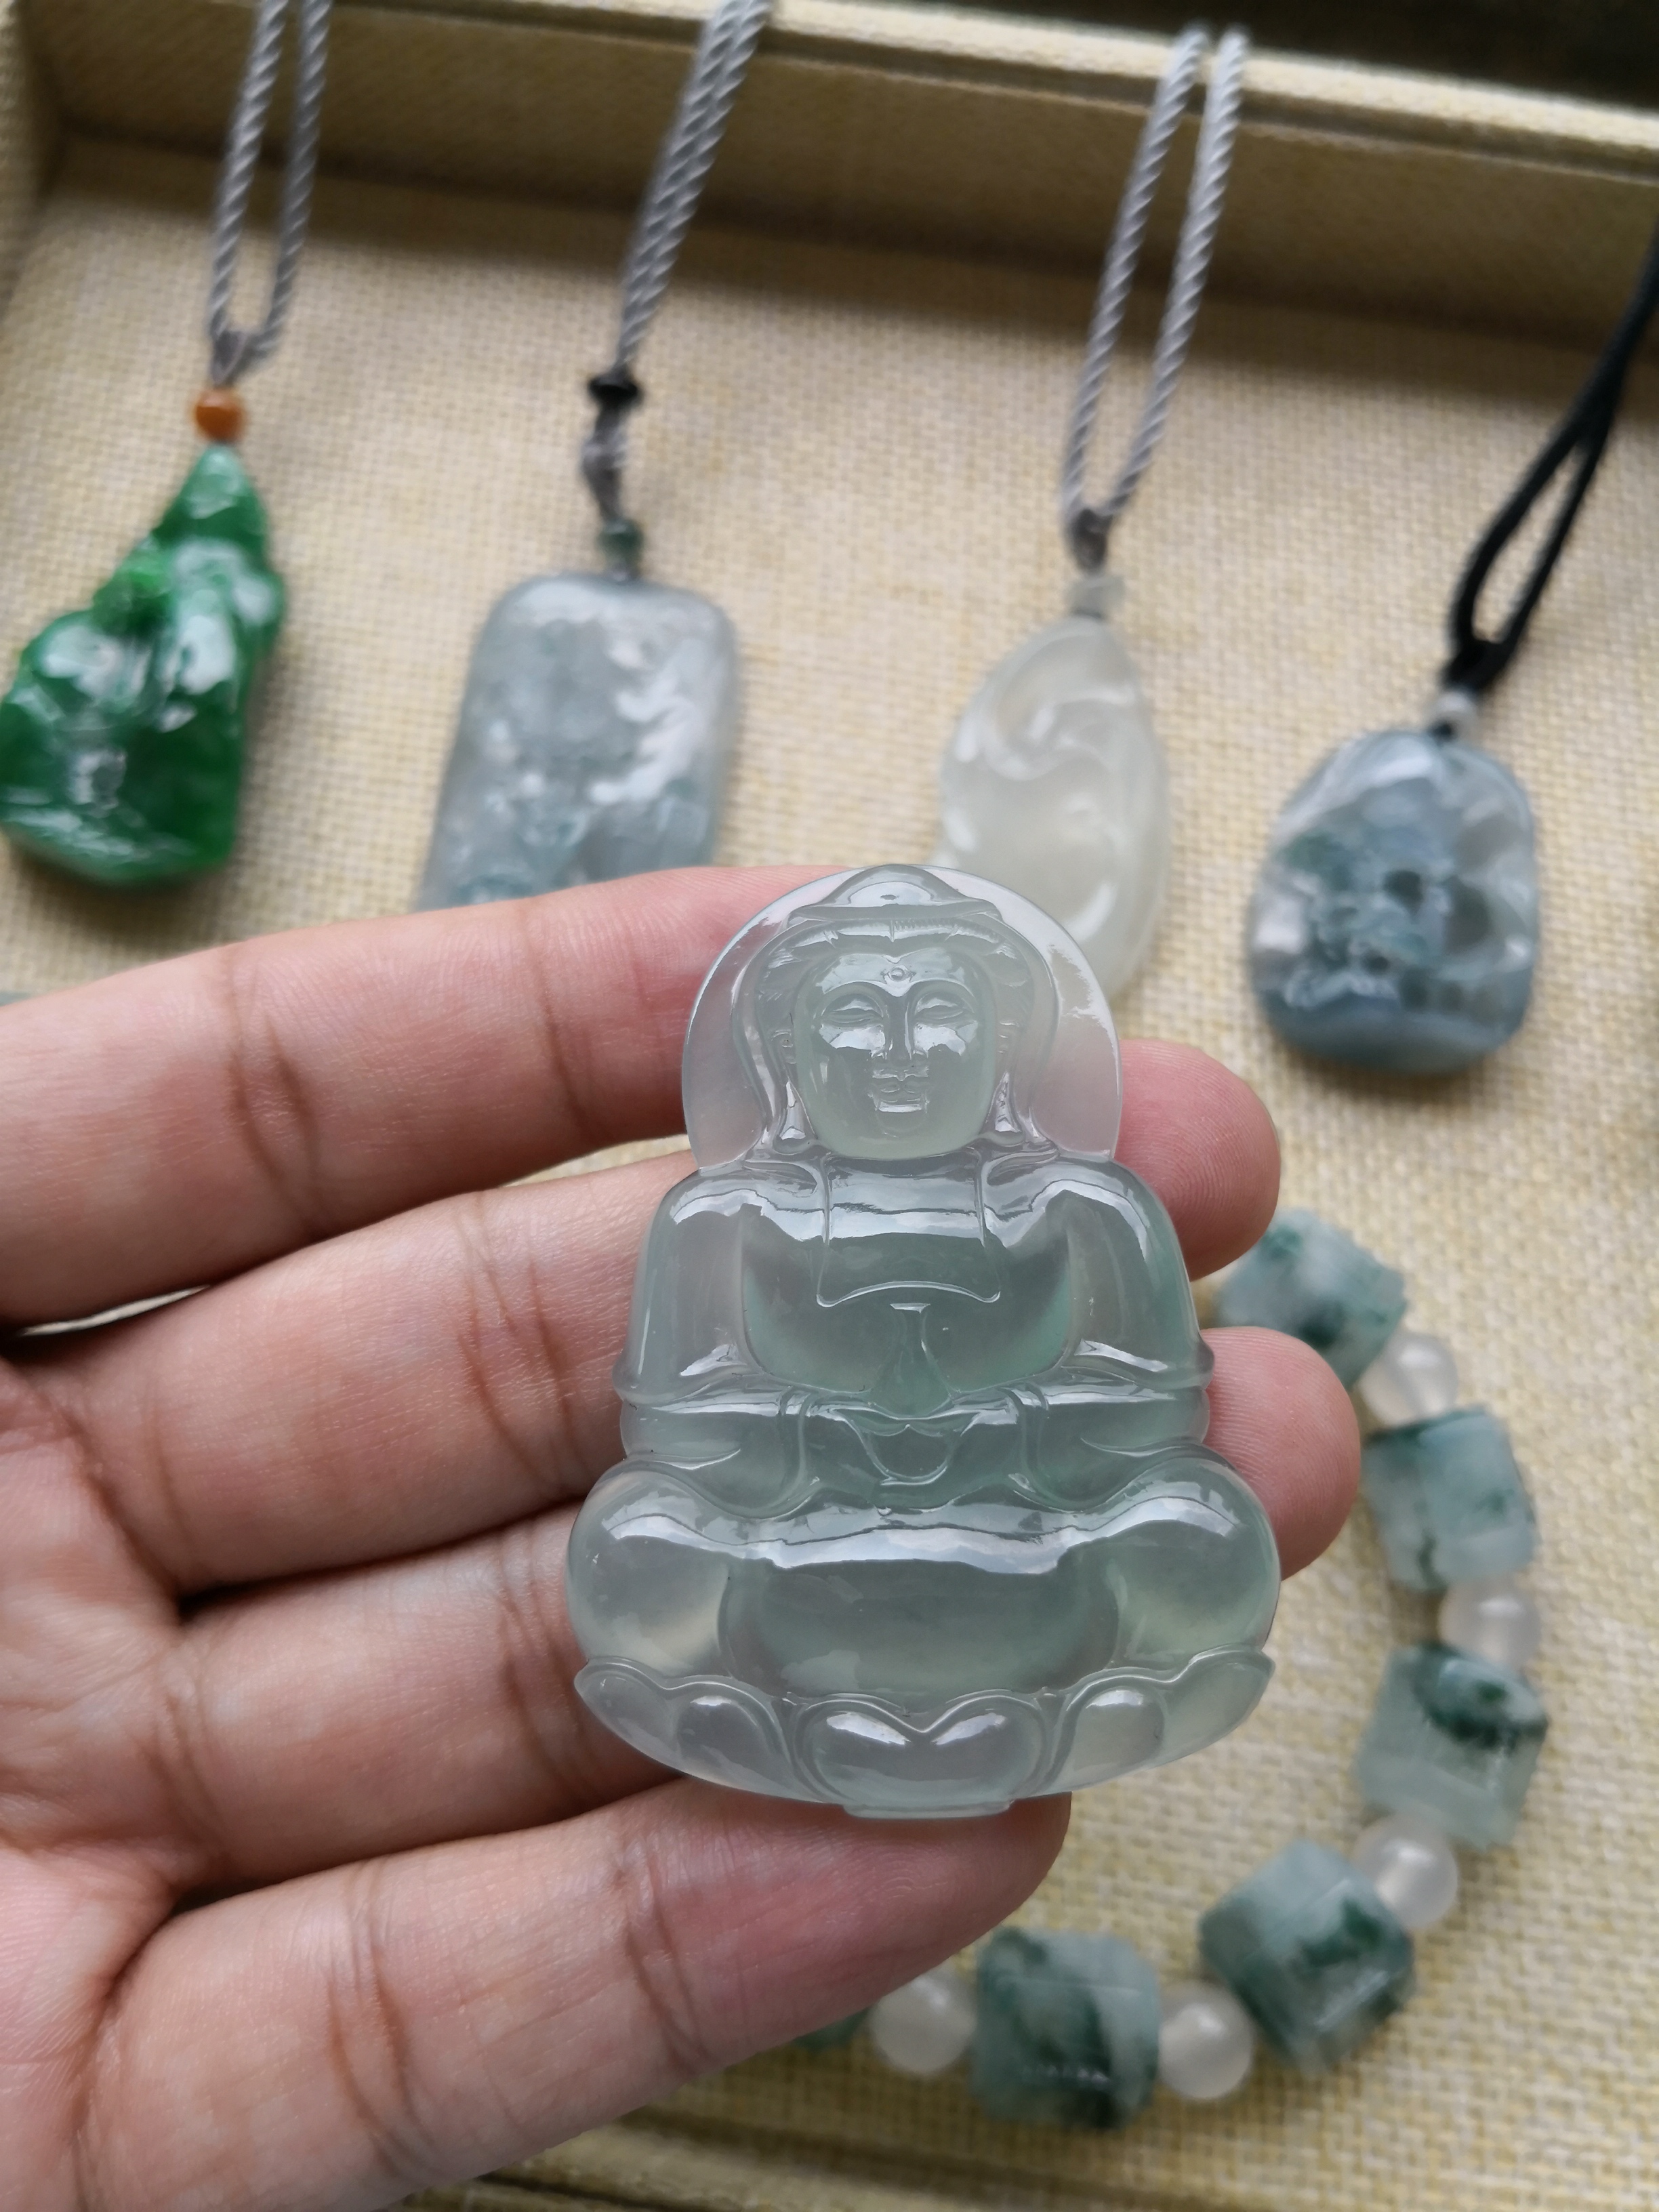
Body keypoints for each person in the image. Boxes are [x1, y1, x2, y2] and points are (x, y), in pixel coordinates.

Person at [0, 867, 1356, 2212]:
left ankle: (920, 1687)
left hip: (1026, 1537)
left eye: (936, 1014)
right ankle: (945, 1689)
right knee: (640, 1539)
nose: (896, 1051)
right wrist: (828, 1441)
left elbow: (1146, 1417)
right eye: (853, 1019)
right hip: (804, 1553)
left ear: (1003, 1046)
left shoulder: (1087, 1209)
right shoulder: (726, 1216)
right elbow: (686, 1429)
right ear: (789, 1059)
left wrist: (997, 1431)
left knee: (1197, 1526)